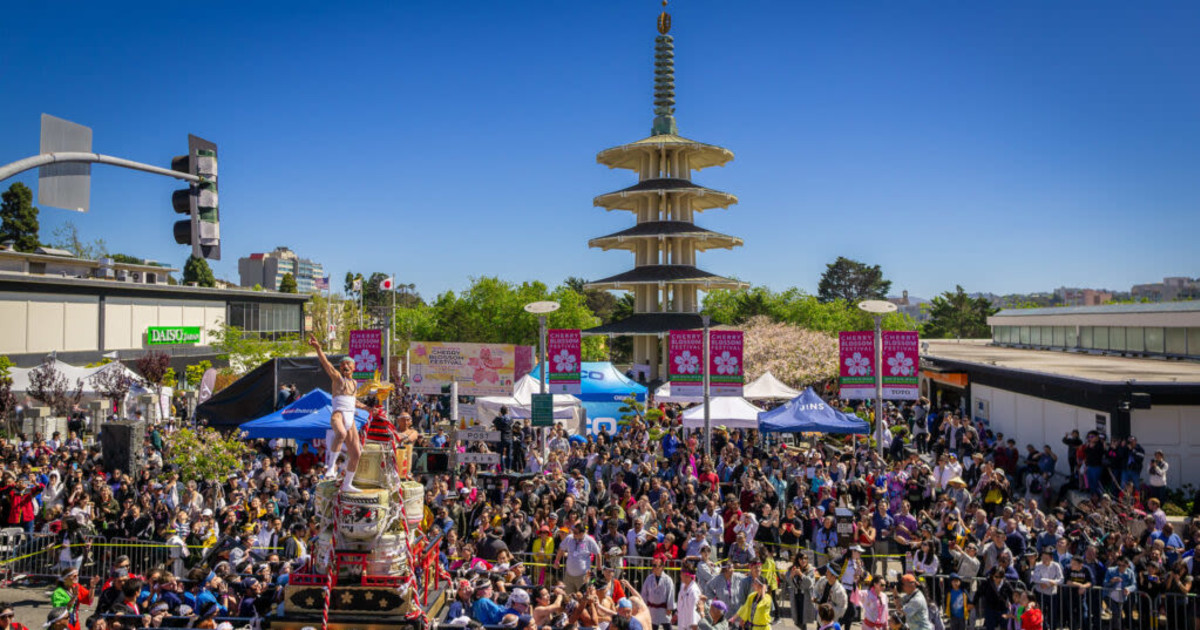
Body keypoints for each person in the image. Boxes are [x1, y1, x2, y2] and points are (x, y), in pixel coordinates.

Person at [307, 334, 363, 492]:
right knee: (340, 434)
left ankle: (347, 484)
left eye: (348, 364)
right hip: (338, 414)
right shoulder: (338, 378)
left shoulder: (354, 383)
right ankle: (331, 468)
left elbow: (354, 402)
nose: (345, 366)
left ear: (353, 367)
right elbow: (327, 365)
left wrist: (368, 408)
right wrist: (318, 348)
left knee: (357, 453)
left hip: (350, 415)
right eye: (343, 364)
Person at [556, 522, 601, 594]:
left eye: (576, 532)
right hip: (569, 575)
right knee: (568, 598)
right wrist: (557, 561)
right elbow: (561, 548)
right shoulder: (569, 538)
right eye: (573, 531)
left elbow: (598, 552)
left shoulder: (589, 540)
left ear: (582, 533)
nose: (573, 533)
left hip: (582, 576)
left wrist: (599, 568)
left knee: (582, 598)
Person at [641, 557, 675, 630]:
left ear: (662, 567)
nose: (653, 567)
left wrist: (669, 608)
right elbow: (644, 593)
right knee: (653, 627)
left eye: (655, 565)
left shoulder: (667, 579)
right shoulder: (649, 578)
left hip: (663, 609)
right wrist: (643, 606)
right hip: (652, 609)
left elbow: (670, 594)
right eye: (653, 565)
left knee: (667, 626)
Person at [675, 562, 703, 630]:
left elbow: (695, 610)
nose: (680, 575)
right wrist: (676, 614)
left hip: (691, 626)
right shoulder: (682, 586)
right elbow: (679, 603)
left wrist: (694, 625)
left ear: (687, 575)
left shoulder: (694, 591)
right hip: (682, 623)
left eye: (681, 573)